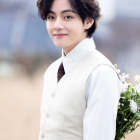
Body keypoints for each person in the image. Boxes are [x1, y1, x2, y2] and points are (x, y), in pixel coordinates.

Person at [36, 0, 121, 140]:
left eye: (67, 17)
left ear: (89, 21)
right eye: (51, 17)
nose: (57, 26)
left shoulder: (100, 73)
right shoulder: (52, 70)